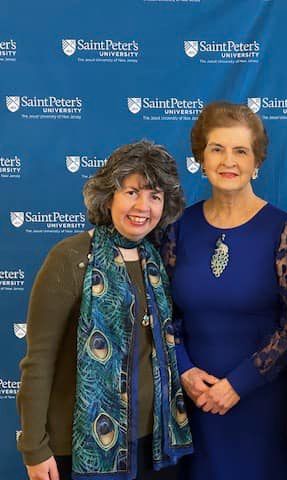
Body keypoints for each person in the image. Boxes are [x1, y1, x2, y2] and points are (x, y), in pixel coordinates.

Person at [17, 140, 192, 480]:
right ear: (109, 195)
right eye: (132, 192)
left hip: (152, 444)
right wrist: (34, 448)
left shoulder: (155, 260)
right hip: (79, 449)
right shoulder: (69, 258)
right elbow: (38, 360)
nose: (143, 206)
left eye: (155, 196)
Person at [162, 101, 287, 479]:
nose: (229, 161)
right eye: (217, 149)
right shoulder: (178, 227)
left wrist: (238, 384)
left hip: (260, 405)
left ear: (256, 161)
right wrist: (186, 371)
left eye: (241, 151)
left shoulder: (283, 229)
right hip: (192, 406)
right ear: (201, 158)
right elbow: (163, 315)